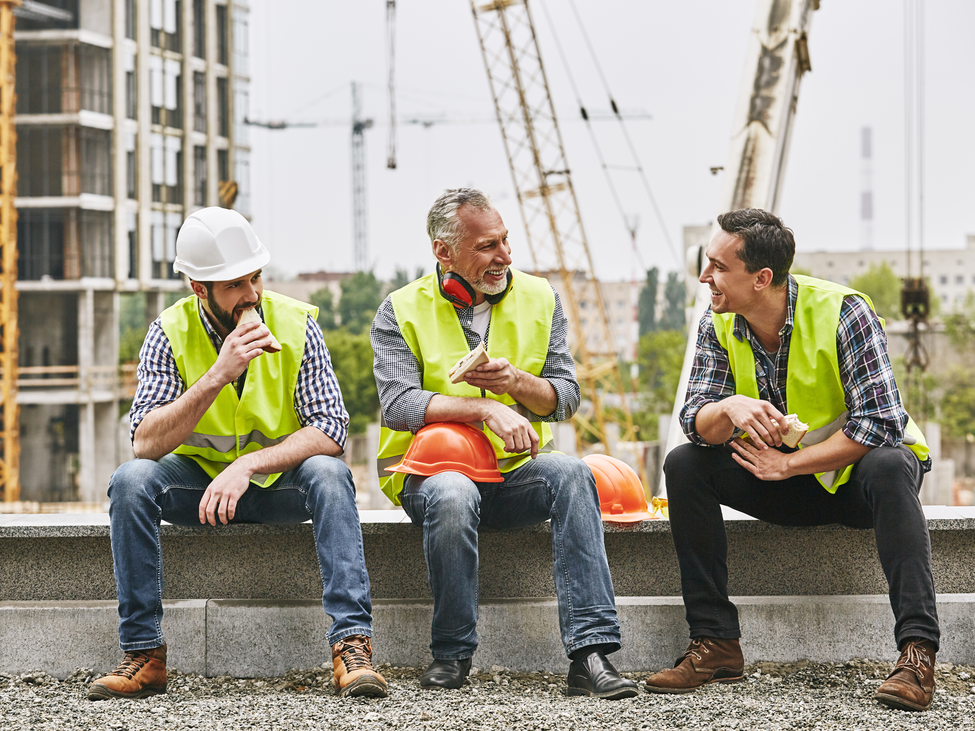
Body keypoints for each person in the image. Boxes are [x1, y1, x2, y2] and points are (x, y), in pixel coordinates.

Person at [645, 208, 939, 712]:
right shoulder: (717, 323)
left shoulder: (844, 311)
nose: (704, 277)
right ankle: (715, 643)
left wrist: (789, 464)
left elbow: (880, 423)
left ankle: (916, 653)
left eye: (716, 266)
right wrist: (728, 407)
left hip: (858, 485)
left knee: (891, 464)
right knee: (685, 464)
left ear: (762, 279)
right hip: (783, 481)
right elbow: (695, 420)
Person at [89, 208, 386, 701]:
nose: (251, 294)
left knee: (331, 473)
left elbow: (331, 429)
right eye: (234, 285)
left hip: (278, 484)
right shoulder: (168, 332)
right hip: (201, 489)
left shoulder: (297, 324)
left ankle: (351, 647)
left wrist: (247, 465)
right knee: (130, 480)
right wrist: (217, 375)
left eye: (255, 278)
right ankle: (144, 653)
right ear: (198, 288)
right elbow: (145, 441)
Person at [370, 188, 637, 699]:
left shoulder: (541, 298)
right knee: (453, 494)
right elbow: (399, 405)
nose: (505, 257)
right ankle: (451, 653)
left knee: (574, 473)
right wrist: (484, 409)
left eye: (505, 241)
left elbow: (564, 398)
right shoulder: (400, 310)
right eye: (487, 246)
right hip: (430, 478)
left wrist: (515, 384)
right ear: (443, 252)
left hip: (515, 473)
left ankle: (590, 655)